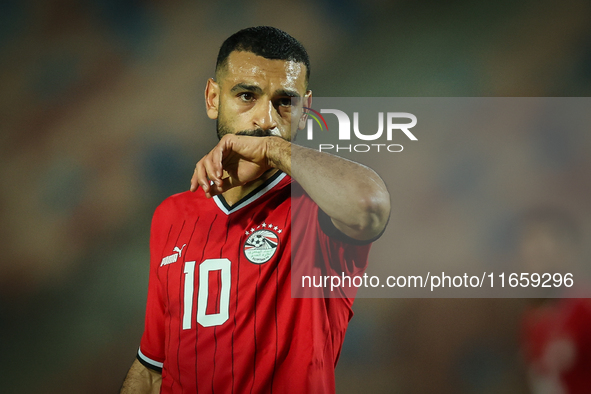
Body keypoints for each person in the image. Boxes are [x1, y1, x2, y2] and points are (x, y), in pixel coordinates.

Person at [120, 26, 390, 394]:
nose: (265, 118)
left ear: (305, 111)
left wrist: (272, 150)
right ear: (213, 98)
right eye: (247, 95)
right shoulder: (171, 215)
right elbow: (152, 368)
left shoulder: (317, 207)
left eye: (285, 102)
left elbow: (370, 207)